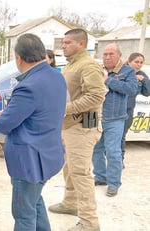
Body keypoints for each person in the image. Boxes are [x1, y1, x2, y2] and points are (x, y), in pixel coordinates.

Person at [0, 33, 67, 231]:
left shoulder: (28, 86)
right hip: (48, 154)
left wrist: (3, 114)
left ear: (19, 58)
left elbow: (4, 125)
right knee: (34, 202)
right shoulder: (56, 76)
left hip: (30, 161)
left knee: (24, 214)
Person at [48, 28, 107, 231]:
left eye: (67, 43)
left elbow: (96, 96)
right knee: (69, 168)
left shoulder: (89, 66)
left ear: (81, 44)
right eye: (63, 43)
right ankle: (70, 203)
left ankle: (90, 222)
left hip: (82, 128)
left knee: (80, 173)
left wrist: (64, 109)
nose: (63, 46)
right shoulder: (71, 64)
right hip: (69, 126)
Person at [92, 43, 138, 197]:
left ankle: (113, 184)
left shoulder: (127, 71)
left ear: (119, 55)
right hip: (94, 116)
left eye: (111, 54)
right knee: (95, 149)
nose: (107, 57)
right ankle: (100, 177)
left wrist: (109, 81)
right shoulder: (96, 69)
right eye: (105, 54)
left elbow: (132, 89)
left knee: (113, 151)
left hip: (115, 118)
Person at [121, 53, 150, 164]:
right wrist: (132, 78)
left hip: (128, 112)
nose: (138, 65)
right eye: (136, 62)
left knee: (122, 137)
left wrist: (144, 80)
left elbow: (147, 92)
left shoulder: (142, 75)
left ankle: (119, 161)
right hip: (115, 109)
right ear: (129, 61)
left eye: (141, 62)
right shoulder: (121, 71)